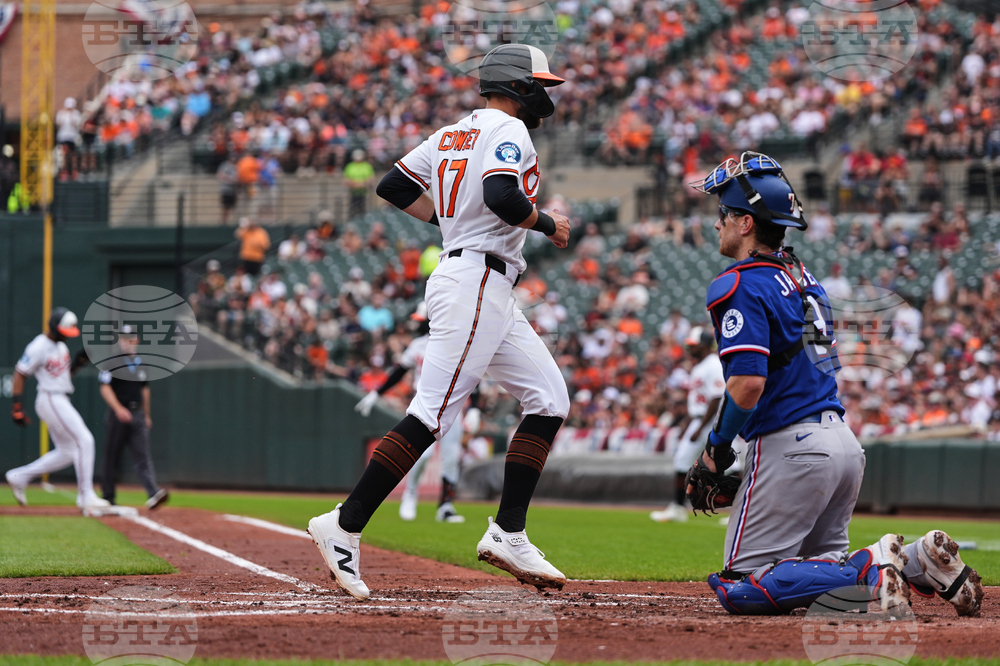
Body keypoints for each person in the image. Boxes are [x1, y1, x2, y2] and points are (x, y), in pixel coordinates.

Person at [307, 44, 572, 600]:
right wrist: (548, 223)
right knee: (432, 414)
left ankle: (509, 532)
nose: (544, 94)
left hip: (482, 281)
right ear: (517, 84)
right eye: (539, 83)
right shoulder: (509, 129)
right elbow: (502, 194)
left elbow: (394, 186)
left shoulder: (452, 133)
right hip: (476, 281)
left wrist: (450, 222)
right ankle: (344, 524)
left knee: (550, 399)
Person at [687, 151, 983, 617]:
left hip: (791, 444)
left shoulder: (740, 283)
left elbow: (747, 384)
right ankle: (915, 562)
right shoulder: (806, 278)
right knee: (824, 576)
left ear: (746, 223)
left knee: (742, 586)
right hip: (842, 443)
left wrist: (715, 449)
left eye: (724, 213)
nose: (717, 223)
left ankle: (871, 565)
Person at [354, 302, 466, 523]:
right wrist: (377, 393)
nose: (417, 324)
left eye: (421, 320)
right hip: (426, 402)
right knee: (421, 454)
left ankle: (445, 505)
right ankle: (411, 493)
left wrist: (477, 407)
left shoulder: (455, 342)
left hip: (454, 403)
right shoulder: (417, 345)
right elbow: (399, 372)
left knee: (451, 456)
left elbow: (471, 373)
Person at [5, 308, 110, 512]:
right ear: (54, 327)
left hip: (59, 397)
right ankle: (86, 495)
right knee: (85, 440)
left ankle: (19, 476)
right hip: (50, 398)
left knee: (68, 452)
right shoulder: (39, 346)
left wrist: (77, 365)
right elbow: (20, 373)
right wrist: (17, 406)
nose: (65, 335)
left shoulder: (61, 346)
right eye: (64, 331)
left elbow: (62, 376)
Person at [650, 327, 726, 523]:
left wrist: (700, 427)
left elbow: (717, 398)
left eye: (693, 345)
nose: (688, 348)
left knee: (688, 461)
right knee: (688, 461)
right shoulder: (700, 365)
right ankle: (677, 507)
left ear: (704, 345)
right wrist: (689, 422)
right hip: (701, 419)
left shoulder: (712, 365)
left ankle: (677, 507)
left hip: (711, 421)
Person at [98, 326, 169, 509]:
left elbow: (145, 389)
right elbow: (104, 387)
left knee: (142, 455)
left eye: (129, 338)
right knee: (112, 456)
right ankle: (108, 496)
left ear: (136, 340)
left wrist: (146, 414)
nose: (126, 342)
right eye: (123, 338)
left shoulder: (140, 363)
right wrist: (118, 409)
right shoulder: (112, 361)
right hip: (118, 414)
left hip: (137, 413)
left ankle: (152, 492)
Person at [344, 149, 375, 218]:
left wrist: (359, 184)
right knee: (352, 209)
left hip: (364, 193)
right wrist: (359, 184)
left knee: (363, 209)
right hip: (353, 192)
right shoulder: (350, 166)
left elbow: (370, 179)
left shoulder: (367, 166)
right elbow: (347, 180)